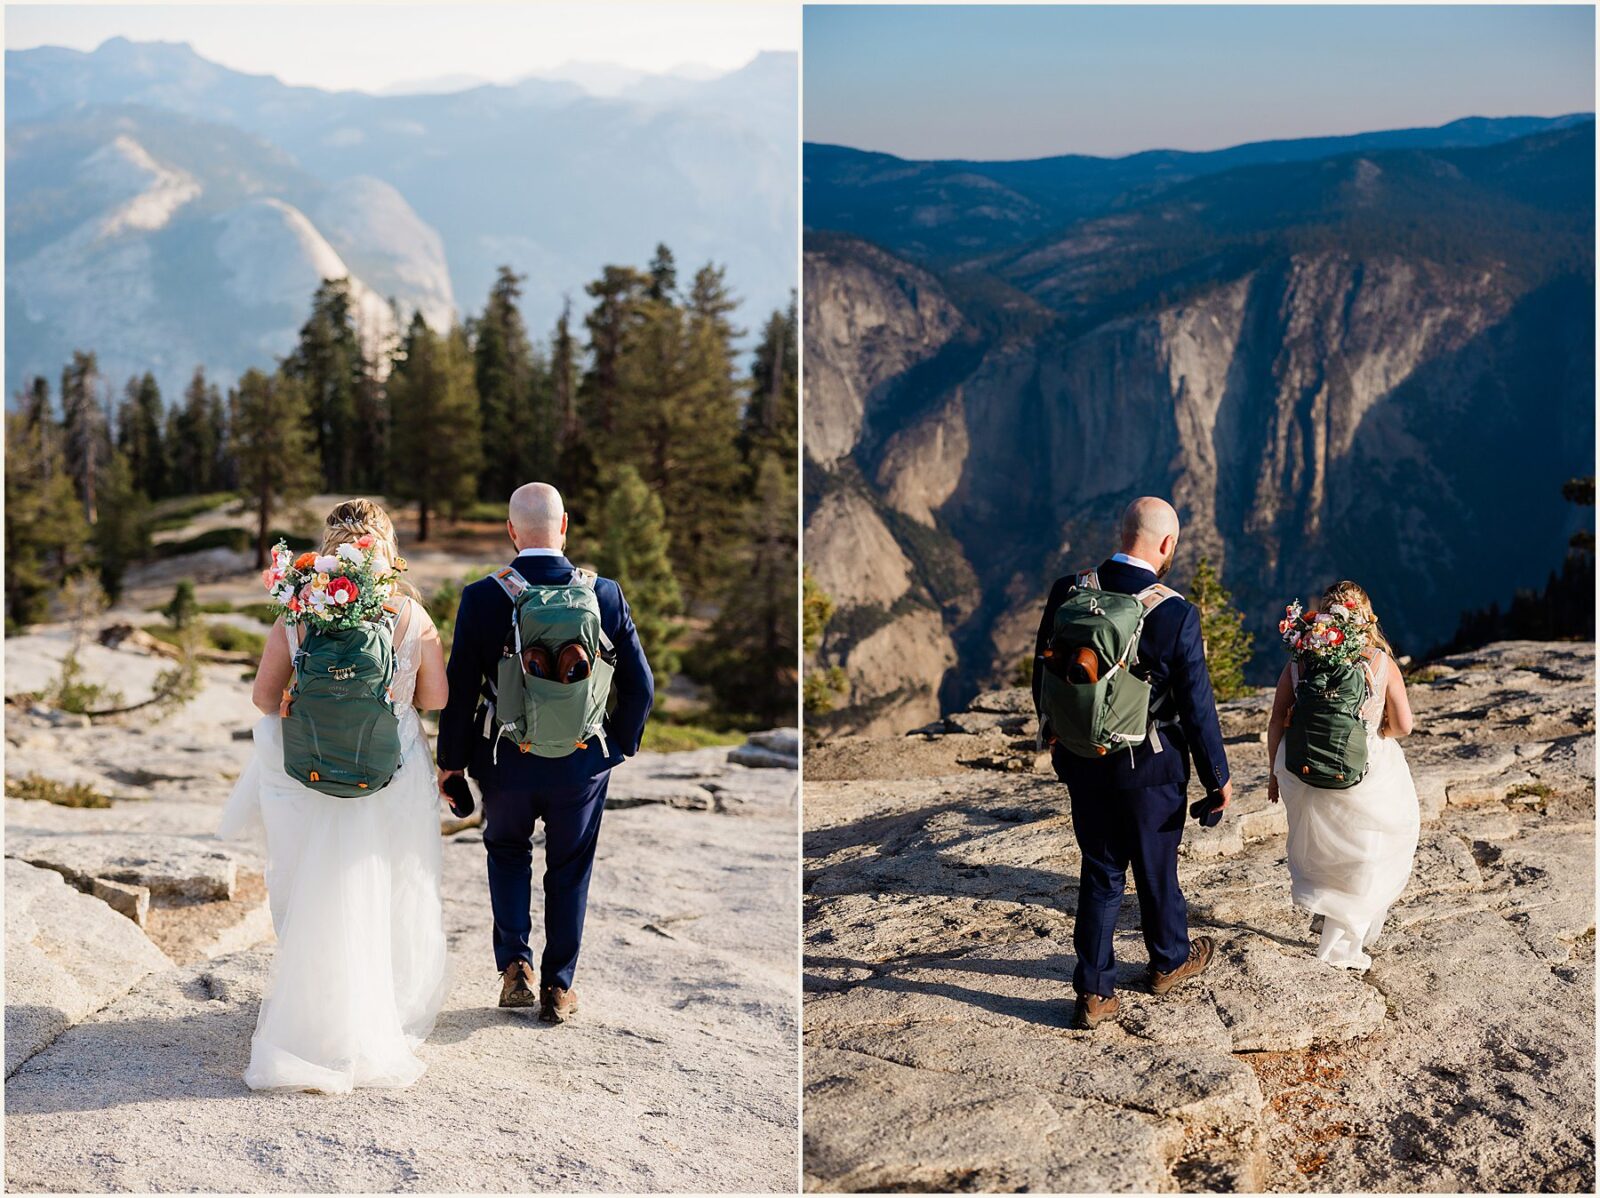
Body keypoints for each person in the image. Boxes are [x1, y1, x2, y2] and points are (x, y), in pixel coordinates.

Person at [220, 498, 449, 1091]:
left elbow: (264, 701)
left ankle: (313, 1009)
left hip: (312, 772)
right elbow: (435, 700)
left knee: (312, 883)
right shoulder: (410, 615)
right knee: (391, 884)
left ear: (329, 545)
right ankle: (382, 1013)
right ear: (389, 548)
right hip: (387, 769)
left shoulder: (298, 610)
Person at [436, 482, 654, 1021]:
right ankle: (559, 985)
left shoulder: (482, 596)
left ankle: (515, 967)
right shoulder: (604, 594)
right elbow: (642, 685)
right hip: (582, 761)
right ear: (564, 526)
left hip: (506, 760)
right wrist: (615, 747)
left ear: (512, 531)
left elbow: (459, 689)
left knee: (507, 852)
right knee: (570, 868)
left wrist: (452, 765)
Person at [1033, 497, 1232, 1030]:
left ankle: (1094, 993)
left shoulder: (1069, 591)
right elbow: (1197, 707)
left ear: (1123, 534)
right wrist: (1218, 779)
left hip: (1084, 759)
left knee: (1100, 872)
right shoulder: (1174, 613)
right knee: (1155, 869)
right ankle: (1168, 960)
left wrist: (1055, 736)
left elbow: (1044, 674)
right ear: (1167, 545)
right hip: (1151, 766)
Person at [1268, 581, 1420, 970]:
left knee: (1325, 846)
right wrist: (1375, 730)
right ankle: (1340, 947)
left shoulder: (1300, 658)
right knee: (1367, 854)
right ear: (1366, 617)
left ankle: (1326, 912)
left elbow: (1276, 719)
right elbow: (1404, 725)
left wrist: (1273, 771)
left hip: (1301, 767)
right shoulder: (1380, 661)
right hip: (1359, 768)